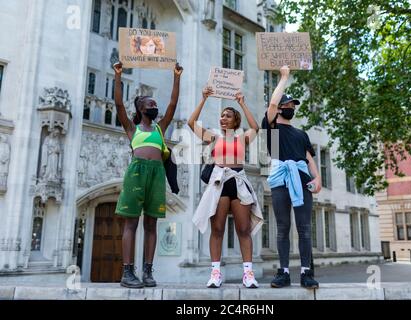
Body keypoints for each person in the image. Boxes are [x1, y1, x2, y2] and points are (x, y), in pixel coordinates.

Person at [113, 61, 183, 288]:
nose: (155, 106)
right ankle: (127, 272)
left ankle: (148, 271)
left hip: (157, 173)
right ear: (141, 109)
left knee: (151, 224)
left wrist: (176, 77)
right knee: (131, 223)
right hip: (137, 172)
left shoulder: (160, 128)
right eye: (150, 103)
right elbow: (118, 104)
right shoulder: (132, 129)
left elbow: (172, 103)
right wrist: (118, 76)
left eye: (155, 103)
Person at [189, 87, 264, 289]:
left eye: (228, 116)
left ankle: (248, 274)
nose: (223, 118)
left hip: (238, 182)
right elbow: (190, 123)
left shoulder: (241, 138)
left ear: (235, 120)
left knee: (243, 229)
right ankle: (215, 273)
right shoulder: (214, 137)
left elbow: (256, 127)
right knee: (218, 229)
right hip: (219, 182)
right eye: (222, 115)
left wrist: (242, 102)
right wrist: (203, 99)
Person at [261, 65, 321, 289]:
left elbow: (309, 158)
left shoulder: (300, 133)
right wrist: (284, 77)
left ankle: (306, 272)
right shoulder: (272, 128)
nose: (289, 107)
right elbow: (273, 103)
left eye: (292, 105)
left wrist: (317, 179)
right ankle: (283, 272)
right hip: (280, 181)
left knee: (304, 227)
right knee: (283, 227)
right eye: (286, 104)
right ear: (278, 110)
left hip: (302, 179)